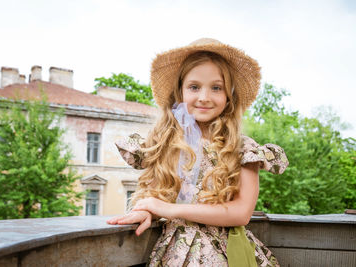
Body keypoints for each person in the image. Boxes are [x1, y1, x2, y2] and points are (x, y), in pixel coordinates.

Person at [107, 38, 289, 266]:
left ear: (228, 96)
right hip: (175, 255)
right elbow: (155, 194)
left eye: (216, 87)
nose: (204, 97)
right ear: (180, 92)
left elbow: (241, 212)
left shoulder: (242, 148)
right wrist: (146, 211)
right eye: (194, 87)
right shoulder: (165, 143)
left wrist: (168, 209)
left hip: (226, 254)